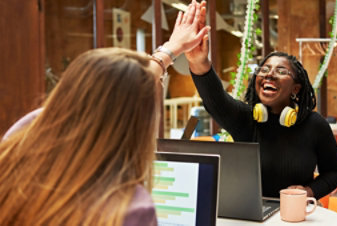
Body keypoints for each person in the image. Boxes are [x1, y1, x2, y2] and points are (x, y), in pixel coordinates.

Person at [0, 1, 209, 225]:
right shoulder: (130, 208)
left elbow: (109, 90)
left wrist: (170, 49)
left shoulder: (19, 144)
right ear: (138, 124)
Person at [184, 7, 337, 200]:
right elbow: (215, 99)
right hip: (249, 212)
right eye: (265, 69)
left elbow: (335, 172)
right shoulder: (245, 119)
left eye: (281, 71)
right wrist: (198, 61)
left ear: (296, 88)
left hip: (292, 214)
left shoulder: (315, 125)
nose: (269, 74)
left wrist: (308, 192)